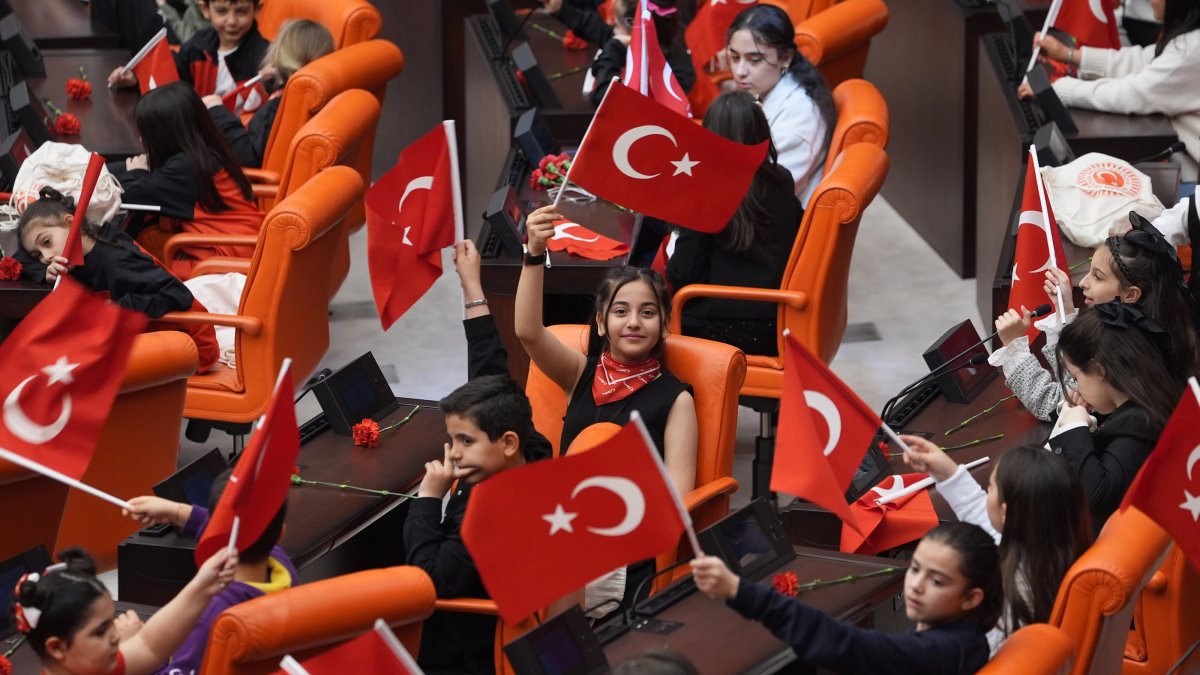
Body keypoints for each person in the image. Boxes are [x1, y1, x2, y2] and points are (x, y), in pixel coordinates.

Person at [516, 205, 698, 491]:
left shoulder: (677, 400)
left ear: (665, 326)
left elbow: (680, 496)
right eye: (621, 311)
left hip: (632, 526)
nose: (634, 322)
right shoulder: (578, 374)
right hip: (563, 518)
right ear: (601, 323)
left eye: (648, 313)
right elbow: (528, 332)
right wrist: (534, 253)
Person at [691, 522, 1000, 674]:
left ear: (972, 598)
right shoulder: (967, 639)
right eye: (915, 569)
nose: (916, 585)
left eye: (936, 580)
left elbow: (844, 644)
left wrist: (739, 590)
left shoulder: (937, 651)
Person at [990, 213, 1198, 420]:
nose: (1082, 283)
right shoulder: (1162, 326)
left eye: (1098, 277)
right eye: (1089, 272)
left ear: (1131, 294)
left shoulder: (1120, 345)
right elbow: (1072, 380)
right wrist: (1065, 309)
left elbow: (1055, 403)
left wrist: (1014, 348)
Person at [404, 374, 544, 674]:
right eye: (452, 439)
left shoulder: (491, 518)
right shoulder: (534, 458)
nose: (454, 454)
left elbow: (427, 581)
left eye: (466, 441)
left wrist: (428, 498)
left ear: (508, 442)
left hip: (463, 655)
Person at [902, 438, 1091, 653]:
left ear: (1006, 511)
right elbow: (987, 520)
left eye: (990, 488)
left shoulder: (1008, 598)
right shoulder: (1050, 549)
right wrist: (948, 473)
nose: (986, 494)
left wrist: (926, 627)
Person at [18, 187, 221, 372]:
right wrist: (43, 272)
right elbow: (18, 258)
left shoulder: (113, 260)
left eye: (46, 242)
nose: (46, 257)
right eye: (38, 255)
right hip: (156, 338)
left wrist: (114, 308)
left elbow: (177, 294)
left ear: (71, 223)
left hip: (192, 347)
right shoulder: (92, 239)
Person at [666, 90, 801, 356]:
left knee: (643, 320)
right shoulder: (782, 179)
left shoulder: (708, 192)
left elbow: (681, 275)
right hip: (780, 319)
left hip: (723, 327)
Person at [119, 470, 294, 675]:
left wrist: (133, 647)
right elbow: (236, 533)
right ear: (280, 533)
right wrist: (177, 512)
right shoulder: (282, 568)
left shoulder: (207, 617)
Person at [1053, 301, 1186, 533]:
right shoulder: (1150, 400)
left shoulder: (1139, 422)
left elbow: (1097, 494)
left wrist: (1074, 428)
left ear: (1099, 370)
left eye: (1076, 378)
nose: (1077, 387)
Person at [107, 83, 265, 273]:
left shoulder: (186, 168)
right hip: (246, 244)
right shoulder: (203, 150)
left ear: (166, 134)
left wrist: (135, 171)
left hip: (227, 258)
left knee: (134, 270)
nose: (141, 141)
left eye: (145, 133)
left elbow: (126, 195)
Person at [1020, 0, 1200, 164]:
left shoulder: (1191, 49)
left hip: (1189, 180)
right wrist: (1069, 55)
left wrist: (1059, 89)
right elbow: (1141, 60)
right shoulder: (1189, 40)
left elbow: (1133, 94)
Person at [13, 547, 235, 675]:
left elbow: (149, 644)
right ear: (57, 647)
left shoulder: (98, 669)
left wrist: (203, 586)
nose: (117, 635)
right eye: (100, 631)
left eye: (112, 621)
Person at [726, 4, 835, 206]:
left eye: (755, 60)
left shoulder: (799, 118)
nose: (740, 71)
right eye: (734, 57)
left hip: (766, 224)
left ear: (786, 58)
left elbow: (766, 200)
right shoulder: (765, 89)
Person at [204, 19, 335, 169]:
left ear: (278, 57)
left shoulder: (276, 108)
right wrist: (270, 82)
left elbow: (247, 154)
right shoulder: (315, 98)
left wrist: (217, 111)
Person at [539, 0, 696, 107]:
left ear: (635, 27)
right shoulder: (657, 39)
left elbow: (606, 100)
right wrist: (561, 9)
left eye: (617, 22)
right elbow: (601, 32)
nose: (612, 25)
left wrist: (614, 48)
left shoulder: (676, 74)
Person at [108, 0, 270, 100]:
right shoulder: (200, 43)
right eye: (222, 11)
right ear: (205, 9)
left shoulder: (266, 57)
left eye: (241, 11)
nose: (231, 21)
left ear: (257, 10)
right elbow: (172, 70)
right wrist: (136, 78)